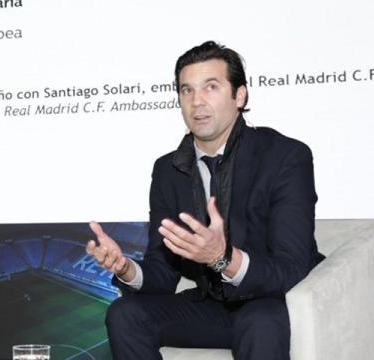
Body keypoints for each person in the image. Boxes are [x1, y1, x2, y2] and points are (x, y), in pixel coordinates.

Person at [86, 41, 324, 360]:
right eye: (186, 90)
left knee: (260, 320)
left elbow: (291, 267)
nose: (197, 101)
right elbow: (162, 271)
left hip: (271, 302)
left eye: (211, 87)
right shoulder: (168, 169)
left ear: (239, 96)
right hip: (212, 306)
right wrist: (127, 269)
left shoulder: (285, 156)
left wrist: (223, 258)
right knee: (125, 313)